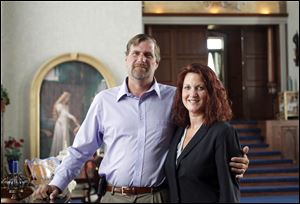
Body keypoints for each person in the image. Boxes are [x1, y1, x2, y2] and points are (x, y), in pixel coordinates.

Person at [33, 34, 249, 203]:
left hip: (157, 197)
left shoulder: (176, 98)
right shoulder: (103, 101)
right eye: (136, 53)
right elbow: (80, 150)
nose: (141, 59)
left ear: (157, 62)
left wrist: (235, 161)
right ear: (126, 59)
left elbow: (201, 134)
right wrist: (58, 183)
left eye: (148, 55)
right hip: (113, 196)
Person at [165, 63, 242, 203]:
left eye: (200, 88)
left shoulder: (222, 132)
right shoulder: (179, 130)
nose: (192, 94)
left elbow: (228, 191)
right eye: (187, 87)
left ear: (211, 93)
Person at [50, 91, 80, 157]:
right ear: (64, 97)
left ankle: (64, 155)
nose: (68, 99)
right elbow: (65, 114)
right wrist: (73, 117)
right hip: (60, 124)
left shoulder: (66, 106)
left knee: (65, 139)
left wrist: (72, 120)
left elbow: (67, 115)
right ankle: (58, 155)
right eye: (67, 98)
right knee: (61, 139)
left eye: (69, 98)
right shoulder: (58, 105)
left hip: (65, 124)